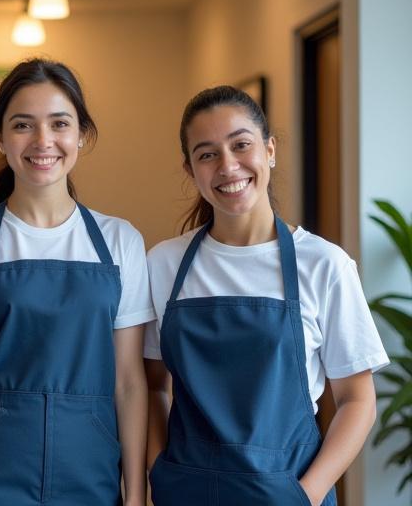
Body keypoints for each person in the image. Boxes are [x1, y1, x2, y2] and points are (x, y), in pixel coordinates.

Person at [144, 85, 389, 505]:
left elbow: (357, 400)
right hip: (186, 493)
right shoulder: (162, 264)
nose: (228, 166)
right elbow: (152, 387)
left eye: (241, 145)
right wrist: (158, 475)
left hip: (288, 494)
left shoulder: (324, 265)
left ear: (269, 150)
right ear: (190, 170)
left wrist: (303, 496)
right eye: (207, 154)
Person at [0, 58, 154, 506]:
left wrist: (135, 495)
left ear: (82, 135)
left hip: (91, 473)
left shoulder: (119, 241)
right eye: (23, 125)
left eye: (59, 124)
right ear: (0, 138)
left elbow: (129, 382)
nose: (43, 141)